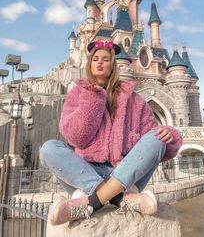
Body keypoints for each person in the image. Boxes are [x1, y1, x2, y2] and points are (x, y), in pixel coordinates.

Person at [39, 39, 183, 225]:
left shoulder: (134, 99)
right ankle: (120, 198)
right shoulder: (78, 94)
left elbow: (150, 136)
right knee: (49, 148)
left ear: (113, 65)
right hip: (86, 173)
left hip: (125, 172)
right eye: (95, 59)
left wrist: (167, 135)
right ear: (89, 64)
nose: (100, 62)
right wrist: (92, 96)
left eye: (106, 59)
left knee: (157, 139)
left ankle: (91, 203)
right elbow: (77, 138)